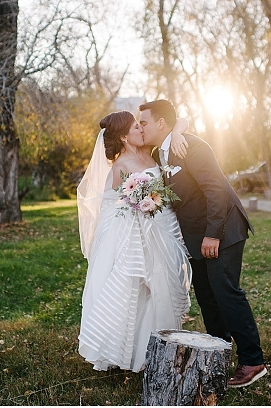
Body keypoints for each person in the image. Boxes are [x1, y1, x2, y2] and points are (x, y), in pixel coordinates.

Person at [138, 99, 267, 388]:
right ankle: (218, 354)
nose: (140, 127)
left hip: (223, 230)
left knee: (226, 291)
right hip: (195, 236)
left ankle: (252, 361)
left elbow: (215, 190)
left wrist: (213, 234)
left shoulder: (192, 147)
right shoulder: (162, 153)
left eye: (144, 122)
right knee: (207, 297)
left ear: (160, 123)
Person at [77, 110, 192, 373]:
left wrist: (177, 130)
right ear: (124, 136)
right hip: (138, 235)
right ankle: (138, 355)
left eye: (141, 125)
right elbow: (111, 209)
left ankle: (164, 347)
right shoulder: (120, 167)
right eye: (136, 127)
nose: (142, 129)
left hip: (165, 227)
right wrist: (138, 206)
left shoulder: (151, 152)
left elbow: (182, 118)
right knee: (142, 291)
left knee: (167, 285)